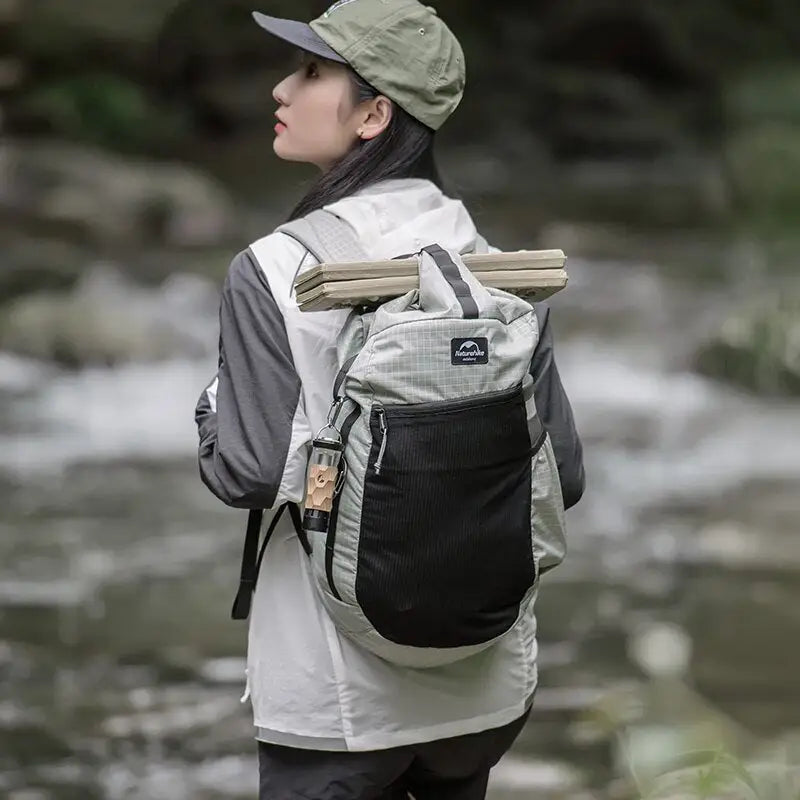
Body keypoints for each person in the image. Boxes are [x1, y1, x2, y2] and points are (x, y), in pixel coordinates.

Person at [195, 1, 585, 797]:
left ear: (374, 114)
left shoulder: (271, 269)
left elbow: (244, 471)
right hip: (483, 693)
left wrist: (210, 405)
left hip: (334, 705)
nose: (280, 89)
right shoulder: (496, 267)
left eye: (309, 73)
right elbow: (564, 476)